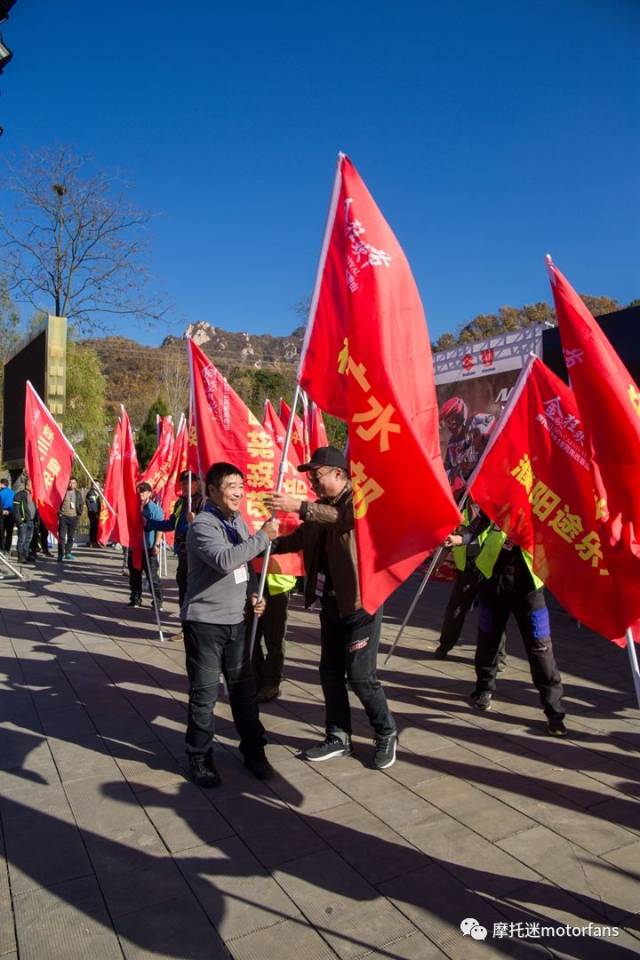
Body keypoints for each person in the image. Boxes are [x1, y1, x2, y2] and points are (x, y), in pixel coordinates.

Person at [267, 446, 398, 770]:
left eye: (317, 474)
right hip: (330, 603)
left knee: (360, 675)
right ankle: (338, 736)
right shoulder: (320, 508)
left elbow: (343, 521)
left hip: (360, 603)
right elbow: (299, 539)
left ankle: (386, 732)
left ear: (338, 474)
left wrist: (300, 506)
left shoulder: (358, 502)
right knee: (329, 673)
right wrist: (266, 540)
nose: (312, 480)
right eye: (310, 475)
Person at [181, 461, 278, 787]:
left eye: (241, 485)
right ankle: (199, 758)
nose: (238, 492)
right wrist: (264, 536)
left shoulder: (238, 520)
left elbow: (246, 567)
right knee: (205, 695)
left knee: (244, 693)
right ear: (211, 491)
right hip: (205, 624)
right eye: (231, 486)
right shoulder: (203, 525)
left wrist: (254, 594)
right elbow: (225, 560)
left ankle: (254, 752)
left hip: (236, 621)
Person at [444, 512, 567, 737]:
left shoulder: (544, 503)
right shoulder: (499, 499)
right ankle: (483, 689)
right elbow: (478, 528)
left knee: (541, 649)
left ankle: (554, 711)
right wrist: (458, 539)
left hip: (530, 587)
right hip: (493, 580)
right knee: (488, 638)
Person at [434, 413, 506, 670]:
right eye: (474, 436)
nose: (475, 441)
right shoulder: (465, 464)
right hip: (467, 555)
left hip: (489, 558)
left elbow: (487, 523)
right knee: (456, 606)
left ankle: (497, 656)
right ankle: (445, 643)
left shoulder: (498, 470)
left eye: (480, 437)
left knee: (492, 612)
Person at [145, 471, 203, 639]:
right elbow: (170, 523)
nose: (185, 486)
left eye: (189, 483)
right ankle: (185, 629)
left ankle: (197, 630)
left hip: (199, 556)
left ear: (197, 484)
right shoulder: (180, 503)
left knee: (196, 593)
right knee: (184, 591)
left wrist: (197, 520)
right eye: (183, 483)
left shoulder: (204, 503)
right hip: (183, 554)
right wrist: (149, 524)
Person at [252, 572, 297, 702]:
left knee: (274, 636)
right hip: (251, 578)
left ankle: (271, 682)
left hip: (277, 581)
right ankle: (254, 677)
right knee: (250, 635)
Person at [128, 482, 164, 609]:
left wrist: (157, 545)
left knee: (152, 577)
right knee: (134, 575)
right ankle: (135, 599)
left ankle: (157, 601)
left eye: (143, 491)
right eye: (139, 491)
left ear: (149, 493)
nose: (141, 494)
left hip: (149, 547)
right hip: (135, 547)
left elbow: (159, 529)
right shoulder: (134, 507)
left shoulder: (155, 509)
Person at [439, 396, 471, 500]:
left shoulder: (476, 422)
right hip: (466, 489)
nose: (450, 424)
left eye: (452, 419)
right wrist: (454, 472)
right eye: (447, 421)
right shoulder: (451, 444)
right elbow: (446, 471)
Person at [57, 478, 84, 561]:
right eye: (70, 483)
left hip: (74, 517)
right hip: (64, 517)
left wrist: (78, 515)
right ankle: (60, 554)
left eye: (73, 483)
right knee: (61, 536)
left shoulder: (78, 494)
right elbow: (57, 503)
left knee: (71, 537)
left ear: (76, 484)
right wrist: (59, 513)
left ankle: (68, 553)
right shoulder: (63, 492)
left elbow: (81, 505)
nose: (71, 484)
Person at [13, 477, 36, 563]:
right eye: (31, 485)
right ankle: (20, 556)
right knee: (22, 539)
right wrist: (19, 522)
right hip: (23, 521)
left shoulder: (33, 495)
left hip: (31, 521)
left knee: (28, 539)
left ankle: (26, 554)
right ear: (27, 485)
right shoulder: (19, 495)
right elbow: (16, 510)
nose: (33, 486)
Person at [0, 478, 15, 554]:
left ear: (2, 484)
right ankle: (7, 549)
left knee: (1, 532)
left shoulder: (1, 493)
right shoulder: (13, 492)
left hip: (2, 513)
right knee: (9, 533)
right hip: (11, 514)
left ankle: (2, 549)